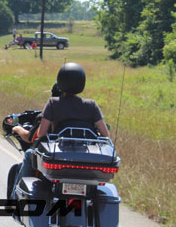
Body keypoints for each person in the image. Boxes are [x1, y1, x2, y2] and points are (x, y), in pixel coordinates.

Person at [11, 63, 110, 199]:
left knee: (29, 154)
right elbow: (105, 135)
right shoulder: (91, 105)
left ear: (60, 82)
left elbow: (41, 133)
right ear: (82, 83)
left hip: (59, 156)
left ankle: (14, 200)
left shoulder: (53, 103)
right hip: (86, 159)